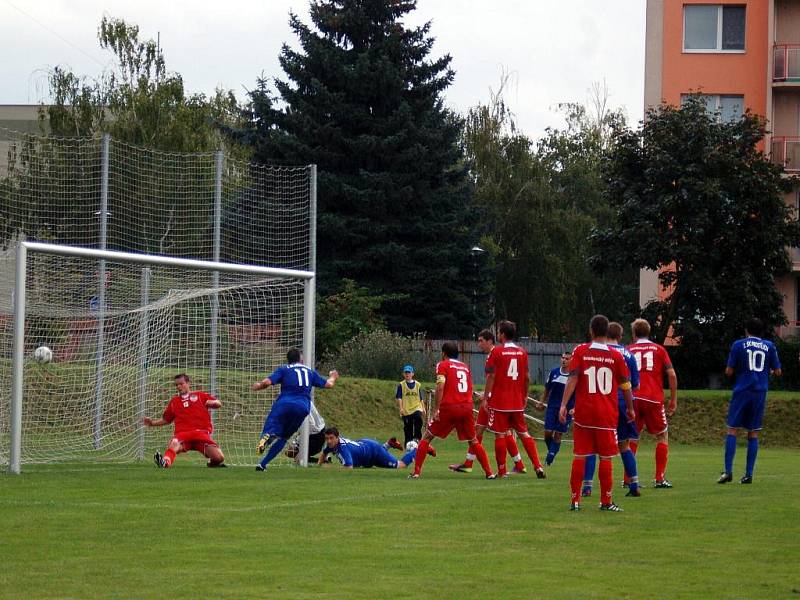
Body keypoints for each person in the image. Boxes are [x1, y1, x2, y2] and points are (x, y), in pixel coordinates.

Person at [560, 315, 635, 512]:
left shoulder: (581, 351)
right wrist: (630, 408)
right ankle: (606, 501)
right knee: (606, 457)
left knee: (580, 455)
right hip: (606, 414)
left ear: (591, 331)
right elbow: (626, 386)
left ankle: (575, 501)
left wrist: (563, 405)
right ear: (607, 331)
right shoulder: (616, 356)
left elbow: (573, 379)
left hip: (584, 413)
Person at [411, 342, 496, 479]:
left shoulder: (442, 365)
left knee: (426, 437)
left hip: (449, 406)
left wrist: (437, 409)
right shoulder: (465, 367)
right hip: (466, 407)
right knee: (473, 440)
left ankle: (416, 473)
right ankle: (489, 473)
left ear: (444, 353)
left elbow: (440, 387)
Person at [450, 329, 526, 474]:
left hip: (496, 401)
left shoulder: (495, 354)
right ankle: (518, 463)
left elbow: (497, 378)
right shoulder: (495, 353)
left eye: (481, 341)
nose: (479, 344)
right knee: (486, 430)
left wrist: (488, 395)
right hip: (497, 399)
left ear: (490, 341)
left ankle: (472, 463)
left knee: (495, 431)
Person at [581, 322, 642, 498]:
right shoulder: (628, 355)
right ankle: (634, 483)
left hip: (601, 403)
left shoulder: (596, 352)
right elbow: (634, 384)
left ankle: (587, 487)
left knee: (592, 446)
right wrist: (630, 407)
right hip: (623, 403)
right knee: (624, 445)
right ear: (621, 336)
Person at [252, 348, 339, 471]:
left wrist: (259, 386)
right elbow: (329, 384)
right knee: (284, 437)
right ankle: (262, 464)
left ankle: (266, 437)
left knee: (270, 427)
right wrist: (333, 376)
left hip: (284, 404)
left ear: (288, 360)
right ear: (301, 359)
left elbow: (267, 382)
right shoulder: (309, 371)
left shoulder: (284, 369)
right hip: (302, 407)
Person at [718, 318, 781, 484]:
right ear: (762, 331)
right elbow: (778, 371)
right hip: (760, 392)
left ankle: (728, 471)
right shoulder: (770, 346)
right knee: (753, 432)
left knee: (733, 429)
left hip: (742, 390)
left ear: (747, 330)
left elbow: (729, 371)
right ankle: (748, 475)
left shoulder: (738, 345)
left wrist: (738, 369)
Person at [483, 320, 545, 478]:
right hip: (517, 401)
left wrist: (485, 398)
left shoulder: (496, 352)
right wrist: (524, 396)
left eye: (499, 332)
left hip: (500, 401)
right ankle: (538, 466)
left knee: (500, 434)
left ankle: (502, 471)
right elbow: (527, 377)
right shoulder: (522, 352)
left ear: (502, 334)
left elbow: (491, 375)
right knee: (524, 433)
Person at [627, 318, 678, 488]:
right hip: (653, 398)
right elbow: (671, 374)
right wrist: (673, 398)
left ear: (634, 333)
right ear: (648, 332)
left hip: (633, 398)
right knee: (662, 435)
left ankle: (629, 479)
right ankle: (659, 478)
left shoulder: (628, 350)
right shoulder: (659, 349)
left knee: (632, 437)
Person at [143, 373, 225, 469]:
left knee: (219, 458)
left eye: (181, 384)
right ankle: (165, 462)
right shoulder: (174, 402)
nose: (178, 387)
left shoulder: (200, 395)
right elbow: (166, 419)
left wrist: (214, 403)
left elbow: (218, 403)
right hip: (183, 435)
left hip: (201, 434)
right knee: (174, 443)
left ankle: (212, 463)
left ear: (188, 383)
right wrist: (152, 423)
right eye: (176, 385)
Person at [320, 427, 417, 469]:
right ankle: (389, 444)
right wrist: (319, 464)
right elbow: (324, 453)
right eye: (327, 438)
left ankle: (418, 449)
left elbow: (348, 467)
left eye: (331, 438)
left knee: (401, 465)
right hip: (366, 447)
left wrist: (329, 467)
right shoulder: (332, 444)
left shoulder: (343, 449)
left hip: (373, 451)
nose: (329, 441)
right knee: (367, 464)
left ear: (338, 437)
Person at [541, 351, 574, 466]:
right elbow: (547, 389)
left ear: (571, 360)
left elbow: (578, 393)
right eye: (563, 358)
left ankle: (550, 458)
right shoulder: (554, 372)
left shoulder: (573, 376)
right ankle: (552, 451)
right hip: (552, 407)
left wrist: (574, 407)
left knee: (558, 434)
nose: (564, 360)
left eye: (567, 358)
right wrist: (541, 402)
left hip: (566, 409)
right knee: (547, 432)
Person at [396, 364, 426, 447]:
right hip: (406, 410)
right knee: (408, 428)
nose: (407, 374)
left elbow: (421, 398)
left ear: (412, 374)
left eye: (409, 372)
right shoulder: (401, 385)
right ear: (403, 374)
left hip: (417, 407)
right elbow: (399, 398)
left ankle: (417, 438)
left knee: (418, 419)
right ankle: (408, 443)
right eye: (405, 373)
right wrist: (401, 408)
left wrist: (423, 408)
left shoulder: (418, 384)